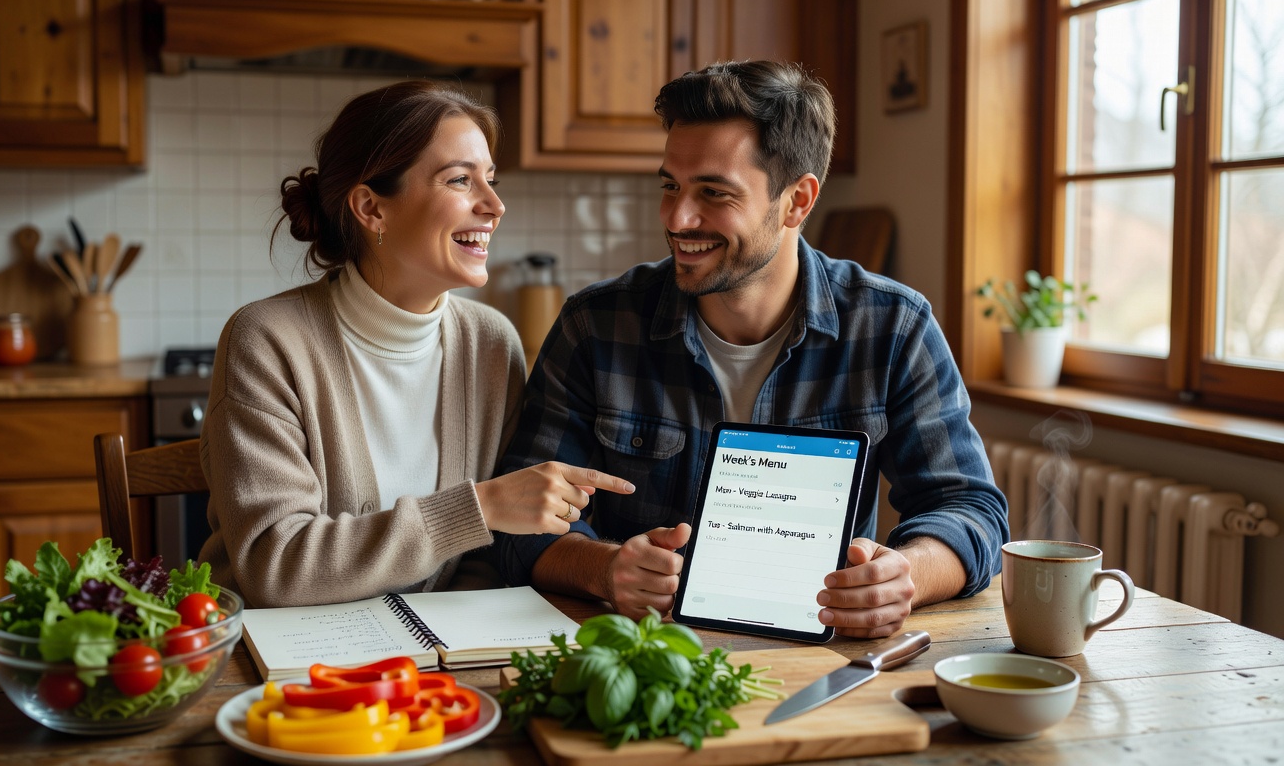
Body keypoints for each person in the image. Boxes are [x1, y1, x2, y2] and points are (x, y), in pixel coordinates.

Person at [490, 61, 1009, 638]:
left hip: (818, 653)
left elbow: (971, 512)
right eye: (670, 186)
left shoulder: (892, 327)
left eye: (713, 192)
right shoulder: (596, 325)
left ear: (797, 201)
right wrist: (605, 570)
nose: (677, 218)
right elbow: (516, 526)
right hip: (648, 651)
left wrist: (905, 575)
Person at [199, 81, 634, 608]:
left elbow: (489, 558)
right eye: (460, 180)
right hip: (280, 648)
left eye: (491, 180)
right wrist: (479, 507)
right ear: (371, 209)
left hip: (436, 647)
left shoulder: (491, 343)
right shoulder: (268, 340)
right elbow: (276, 566)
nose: (495, 205)